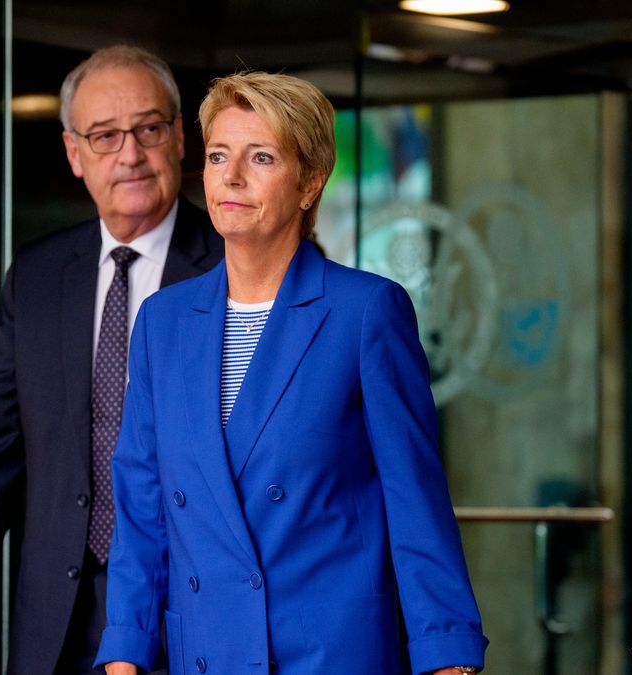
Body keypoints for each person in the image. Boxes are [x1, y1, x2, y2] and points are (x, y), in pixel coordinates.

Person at [96, 72, 488, 675]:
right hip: (205, 652)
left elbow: (415, 498)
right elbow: (142, 509)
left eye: (261, 157)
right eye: (220, 155)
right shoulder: (162, 322)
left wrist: (446, 654)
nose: (231, 176)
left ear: (309, 183)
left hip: (328, 654)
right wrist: (125, 653)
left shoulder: (365, 311)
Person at [0, 45, 223, 675]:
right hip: (58, 617)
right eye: (105, 136)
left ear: (181, 139)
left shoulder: (230, 266)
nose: (130, 154)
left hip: (193, 611)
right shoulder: (39, 278)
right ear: (75, 155)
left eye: (148, 129)